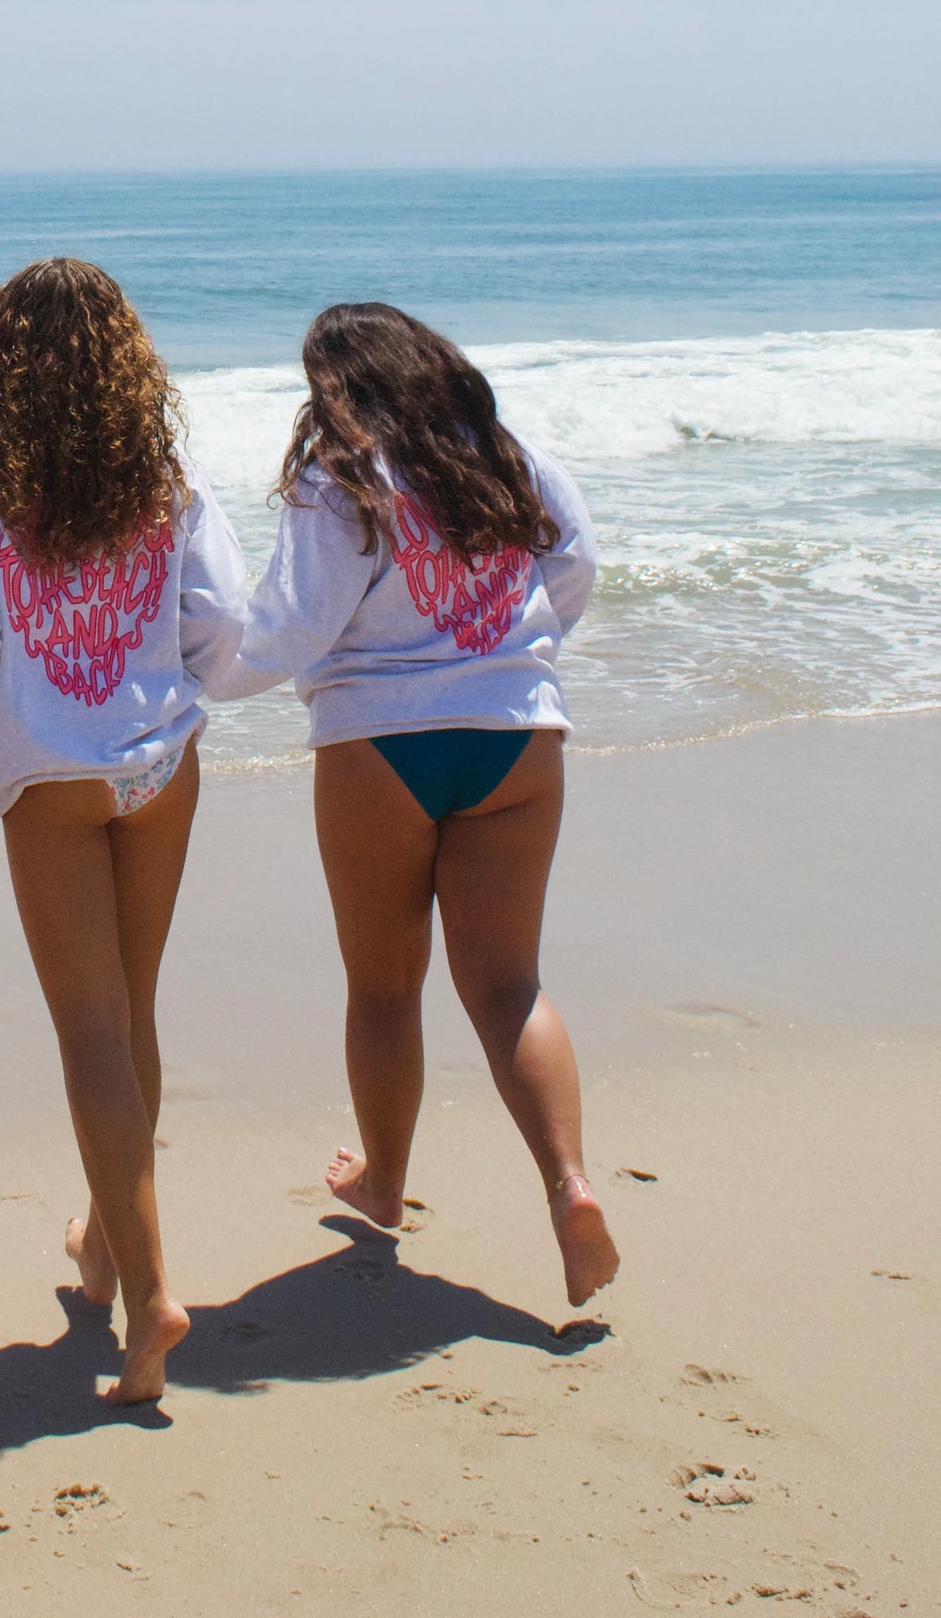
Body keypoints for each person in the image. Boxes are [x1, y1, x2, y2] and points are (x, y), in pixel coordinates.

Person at [0, 257, 257, 1405]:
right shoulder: (157, 469)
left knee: (91, 1034)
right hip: (159, 762)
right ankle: (102, 1248)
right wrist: (169, 685)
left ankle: (148, 1297)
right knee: (131, 1014)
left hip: (51, 768)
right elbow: (225, 616)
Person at [242, 300, 618, 1311]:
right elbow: (574, 562)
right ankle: (569, 1184)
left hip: (380, 745)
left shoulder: (338, 478)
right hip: (516, 735)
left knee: (383, 987)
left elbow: (290, 627)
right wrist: (513, 656)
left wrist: (186, 673)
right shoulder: (504, 454)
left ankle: (384, 1183)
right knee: (508, 986)